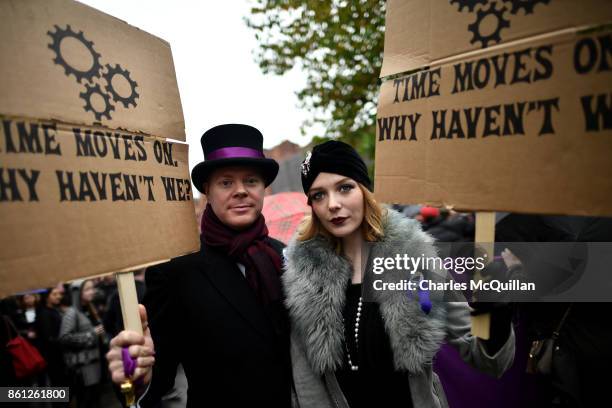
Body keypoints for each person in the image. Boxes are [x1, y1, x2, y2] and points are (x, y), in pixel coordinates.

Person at [283, 140, 516, 408]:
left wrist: (495, 317)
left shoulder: (413, 259)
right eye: (318, 195)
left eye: (344, 188)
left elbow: (486, 359)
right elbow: (307, 382)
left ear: (365, 191)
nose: (332, 204)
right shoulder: (304, 277)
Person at [106, 124, 292, 407]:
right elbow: (155, 379)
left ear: (264, 189)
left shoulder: (286, 257)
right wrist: (135, 376)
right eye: (226, 182)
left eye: (251, 181)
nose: (241, 191)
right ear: (207, 190)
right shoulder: (176, 270)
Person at [59, 279, 107, 408]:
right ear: (77, 293)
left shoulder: (89, 308)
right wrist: (91, 334)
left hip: (95, 364)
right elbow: (64, 338)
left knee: (95, 399)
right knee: (87, 401)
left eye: (92, 288)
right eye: (87, 289)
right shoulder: (71, 313)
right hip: (83, 369)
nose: (92, 292)